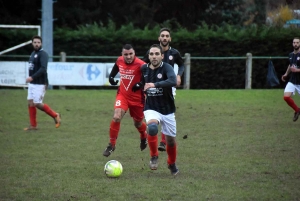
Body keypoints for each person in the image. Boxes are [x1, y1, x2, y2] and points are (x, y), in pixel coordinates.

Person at [133, 44, 178, 175]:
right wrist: (139, 85)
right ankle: (154, 156)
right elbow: (143, 82)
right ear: (148, 56)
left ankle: (172, 163)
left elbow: (173, 81)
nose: (154, 56)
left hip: (168, 109)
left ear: (162, 56)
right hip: (151, 108)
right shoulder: (144, 69)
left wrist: (155, 84)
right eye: (151, 54)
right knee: (152, 128)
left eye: (157, 54)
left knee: (170, 141)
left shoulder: (167, 67)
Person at [143, 27, 184, 152]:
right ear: (159, 38)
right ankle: (152, 130)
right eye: (163, 35)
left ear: (170, 38)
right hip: (153, 86)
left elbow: (181, 64)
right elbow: (143, 65)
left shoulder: (174, 53)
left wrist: (178, 75)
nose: (165, 38)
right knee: (153, 110)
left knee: (166, 108)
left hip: (168, 85)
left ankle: (163, 141)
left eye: (167, 36)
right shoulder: (152, 52)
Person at [102, 44, 148, 157]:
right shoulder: (119, 60)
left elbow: (149, 77)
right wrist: (111, 77)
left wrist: (141, 84)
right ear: (122, 54)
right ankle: (111, 145)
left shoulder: (141, 64)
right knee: (117, 116)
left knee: (137, 123)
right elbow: (116, 67)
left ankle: (144, 136)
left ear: (134, 53)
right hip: (123, 95)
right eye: (126, 54)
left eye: (130, 54)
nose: (128, 57)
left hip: (138, 99)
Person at [24, 35, 61, 130]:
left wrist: (32, 77)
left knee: (37, 103)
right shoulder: (32, 54)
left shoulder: (43, 54)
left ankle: (55, 115)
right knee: (30, 103)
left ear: (41, 43)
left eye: (38, 42)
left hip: (40, 83)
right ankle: (33, 126)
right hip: (32, 83)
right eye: (35, 42)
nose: (36, 44)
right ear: (32, 43)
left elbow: (43, 69)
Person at [282, 37, 300, 122]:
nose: (295, 44)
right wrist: (286, 74)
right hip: (293, 80)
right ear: (292, 44)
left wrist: (297, 70)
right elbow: (290, 65)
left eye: (297, 42)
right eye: (294, 42)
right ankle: (297, 110)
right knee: (286, 97)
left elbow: (295, 68)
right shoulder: (291, 55)